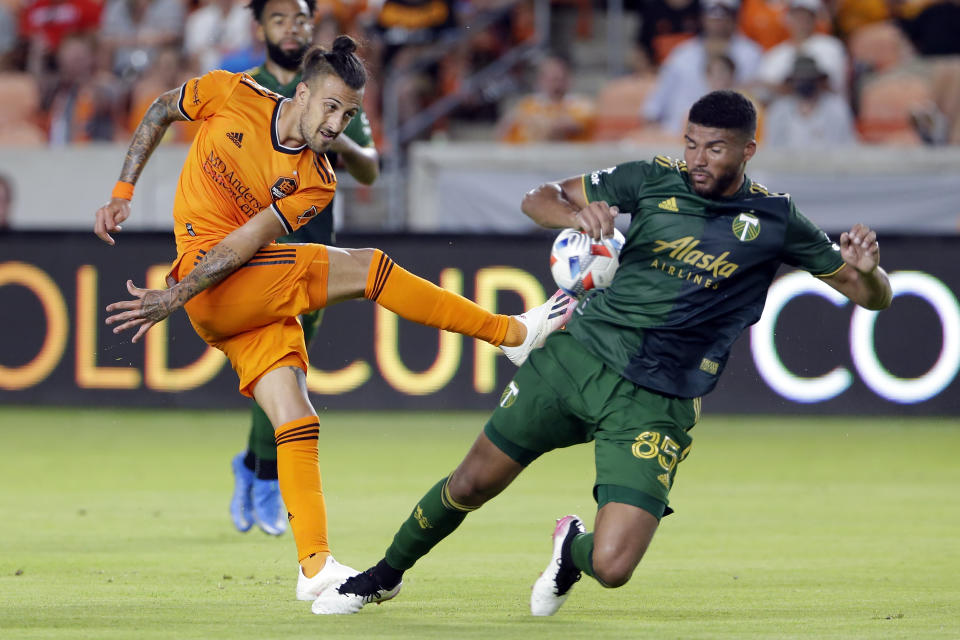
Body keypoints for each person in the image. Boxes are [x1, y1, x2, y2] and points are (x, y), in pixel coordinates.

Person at [311, 89, 893, 616]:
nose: (697, 158)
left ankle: (572, 550)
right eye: (690, 143)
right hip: (578, 360)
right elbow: (537, 198)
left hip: (661, 400)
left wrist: (871, 275)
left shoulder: (776, 219)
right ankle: (382, 577)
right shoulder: (650, 178)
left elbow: (870, 297)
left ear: (748, 150)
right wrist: (576, 215)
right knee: (470, 484)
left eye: (715, 148)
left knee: (613, 567)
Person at [94, 35, 574, 607]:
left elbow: (248, 242)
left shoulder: (315, 180)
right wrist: (123, 193)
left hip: (230, 292)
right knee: (369, 269)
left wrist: (178, 298)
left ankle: (315, 566)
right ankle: (511, 334)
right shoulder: (230, 92)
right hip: (206, 281)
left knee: (297, 419)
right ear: (301, 92)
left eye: (349, 113)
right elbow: (159, 110)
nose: (336, 122)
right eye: (330, 106)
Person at [227, 0, 383, 539]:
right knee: (276, 363)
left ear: (312, 27)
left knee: (284, 366)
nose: (290, 29)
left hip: (314, 250)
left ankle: (252, 468)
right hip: (254, 249)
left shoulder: (336, 90)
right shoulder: (244, 89)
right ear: (260, 28)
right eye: (278, 19)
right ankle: (266, 477)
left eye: (299, 19)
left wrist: (332, 131)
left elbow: (370, 169)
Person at [643, 0, 762, 135]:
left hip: (730, 139)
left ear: (735, 17)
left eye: (725, 14)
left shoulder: (751, 54)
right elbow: (653, 108)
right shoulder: (682, 54)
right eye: (712, 14)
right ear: (702, 17)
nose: (718, 21)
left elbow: (758, 103)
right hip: (678, 138)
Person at [497, 52, 595, 144]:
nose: (557, 84)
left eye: (559, 78)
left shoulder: (581, 104)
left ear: (568, 79)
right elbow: (506, 128)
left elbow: (569, 126)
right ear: (540, 80)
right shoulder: (528, 104)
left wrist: (538, 123)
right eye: (551, 79)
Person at [764, 55, 857, 147]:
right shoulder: (779, 110)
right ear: (792, 81)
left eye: (809, 79)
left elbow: (846, 146)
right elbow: (772, 147)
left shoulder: (836, 109)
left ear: (818, 80)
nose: (805, 83)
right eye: (800, 79)